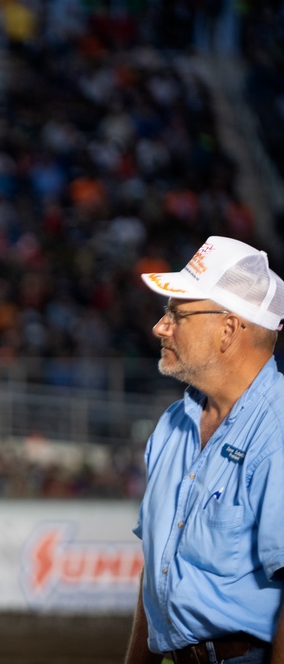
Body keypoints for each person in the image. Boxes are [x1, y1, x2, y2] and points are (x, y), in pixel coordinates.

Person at [126, 236, 284, 664]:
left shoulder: (278, 430)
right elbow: (158, 568)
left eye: (177, 314)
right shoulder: (173, 425)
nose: (161, 326)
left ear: (229, 328)